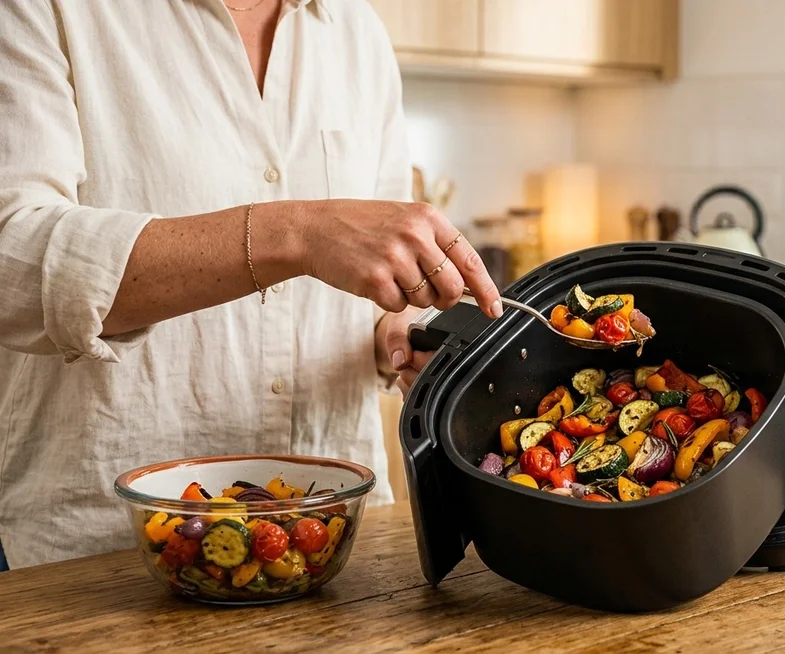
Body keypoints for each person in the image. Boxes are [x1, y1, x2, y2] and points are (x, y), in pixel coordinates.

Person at [0, 0, 501, 570]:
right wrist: (295, 232)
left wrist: (401, 331)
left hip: (331, 543)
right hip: (102, 555)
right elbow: (10, 259)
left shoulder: (354, 28)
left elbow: (368, 281)